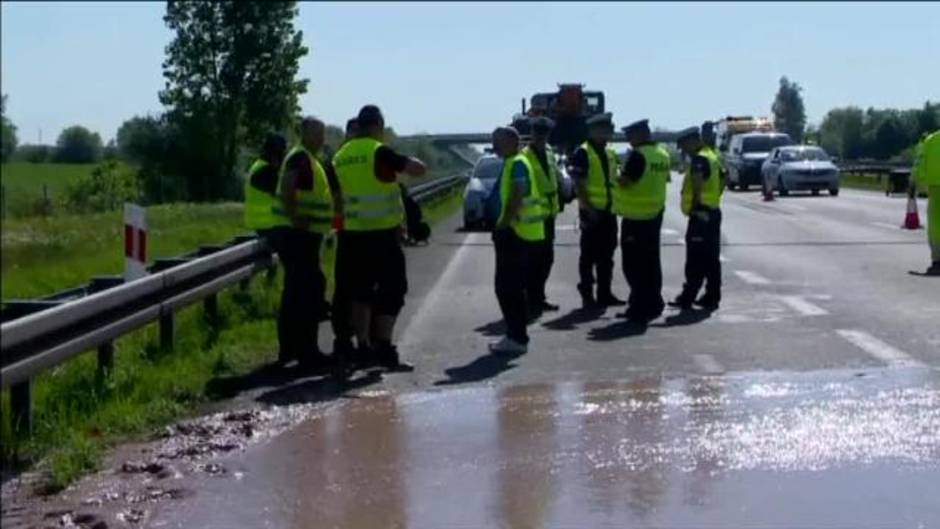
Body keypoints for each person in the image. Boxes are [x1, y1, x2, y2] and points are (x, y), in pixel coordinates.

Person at [331, 105, 427, 378]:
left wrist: (339, 228)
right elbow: (417, 169)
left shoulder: (340, 156)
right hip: (383, 236)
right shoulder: (378, 151)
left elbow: (337, 200)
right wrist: (404, 157)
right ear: (377, 126)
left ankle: (362, 347)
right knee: (393, 290)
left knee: (359, 293)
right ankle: (383, 347)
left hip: (351, 236)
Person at [269, 117, 336, 369]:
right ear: (304, 133)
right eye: (317, 133)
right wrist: (296, 216)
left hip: (303, 235)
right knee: (306, 292)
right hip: (297, 234)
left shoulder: (309, 158)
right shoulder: (300, 157)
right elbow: (288, 187)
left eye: (323, 133)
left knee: (299, 291)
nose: (322, 138)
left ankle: (293, 350)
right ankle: (306, 352)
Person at [490, 126, 547, 355]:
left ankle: (516, 337)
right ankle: (516, 334)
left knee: (507, 288)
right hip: (521, 233)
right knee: (511, 287)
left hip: (515, 233)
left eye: (497, 141)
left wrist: (504, 223)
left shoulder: (517, 163)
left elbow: (518, 193)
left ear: (511, 141)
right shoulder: (514, 161)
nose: (493, 145)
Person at [615, 119, 670, 323]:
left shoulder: (639, 156)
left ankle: (639, 306)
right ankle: (654, 301)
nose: (628, 139)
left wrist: (615, 177)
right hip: (654, 215)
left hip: (635, 217)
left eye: (631, 135)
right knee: (651, 263)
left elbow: (627, 181)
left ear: (641, 134)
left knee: (633, 265)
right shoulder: (662, 154)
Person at [568, 113, 624, 308]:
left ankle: (605, 293)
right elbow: (579, 184)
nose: (606, 133)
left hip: (609, 211)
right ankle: (587, 292)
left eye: (608, 130)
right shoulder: (582, 152)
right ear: (592, 131)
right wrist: (588, 208)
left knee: (607, 255)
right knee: (588, 256)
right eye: (602, 129)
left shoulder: (609, 153)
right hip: (591, 212)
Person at [670, 126, 724, 310]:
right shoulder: (712, 154)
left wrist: (695, 206)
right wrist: (715, 198)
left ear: (693, 141)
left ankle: (688, 296)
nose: (684, 151)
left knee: (695, 258)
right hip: (712, 212)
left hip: (701, 214)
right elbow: (724, 177)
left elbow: (698, 182)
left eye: (684, 146)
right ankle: (712, 295)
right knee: (711, 257)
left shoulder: (700, 159)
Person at [522, 116, 562, 316]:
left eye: (544, 134)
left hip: (549, 215)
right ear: (532, 133)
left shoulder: (549, 153)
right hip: (531, 217)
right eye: (538, 133)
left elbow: (553, 178)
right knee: (533, 260)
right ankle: (531, 298)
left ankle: (539, 296)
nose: (541, 137)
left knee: (547, 259)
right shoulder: (525, 156)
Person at [243, 133, 287, 235]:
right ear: (275, 154)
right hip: (267, 226)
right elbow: (285, 197)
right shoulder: (266, 171)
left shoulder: (258, 166)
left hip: (260, 225)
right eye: (282, 154)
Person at [911, 130, 940, 275]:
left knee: (935, 223)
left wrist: (918, 182)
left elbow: (920, 162)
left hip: (935, 187)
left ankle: (937, 260)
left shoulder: (930, 140)